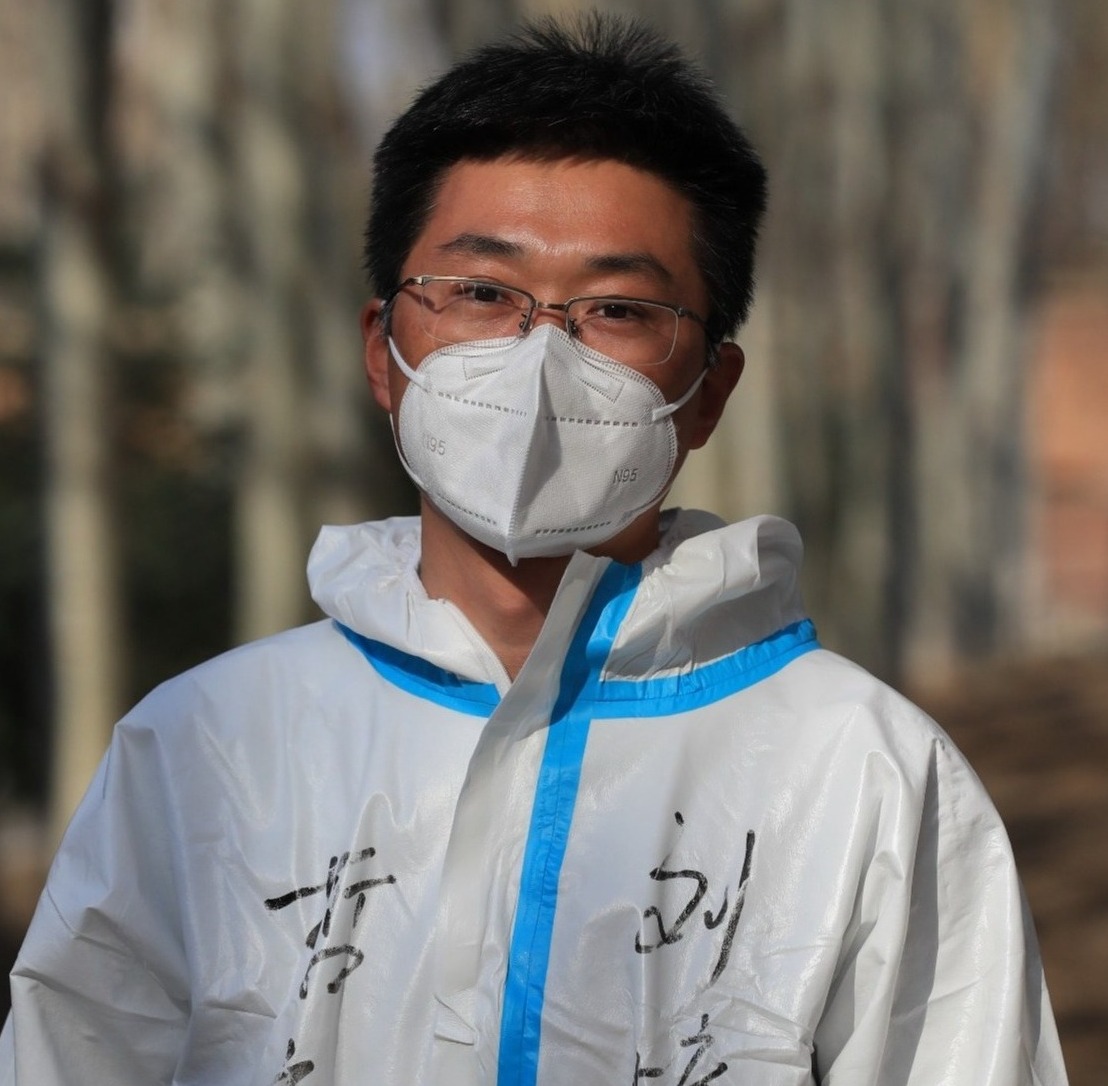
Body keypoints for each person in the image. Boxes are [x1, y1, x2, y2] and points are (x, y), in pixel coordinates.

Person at [1, 13, 1068, 1086]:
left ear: (709, 393)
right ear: (383, 351)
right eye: (480, 293)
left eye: (617, 309)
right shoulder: (208, 749)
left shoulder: (860, 772)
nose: (541, 356)